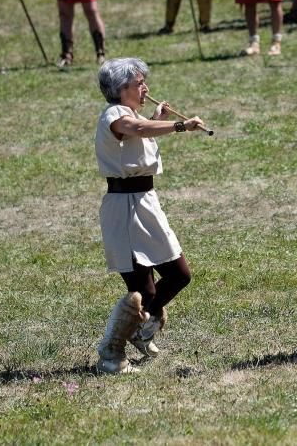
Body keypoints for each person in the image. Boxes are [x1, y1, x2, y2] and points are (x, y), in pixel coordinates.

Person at [93, 57, 203, 374]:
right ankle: (111, 355)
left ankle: (140, 331)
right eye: (140, 83)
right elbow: (136, 129)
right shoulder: (114, 115)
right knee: (142, 293)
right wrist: (178, 125)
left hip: (145, 202)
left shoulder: (131, 115)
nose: (146, 88)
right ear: (121, 88)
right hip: (124, 207)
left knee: (179, 274)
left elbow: (139, 132)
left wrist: (156, 118)